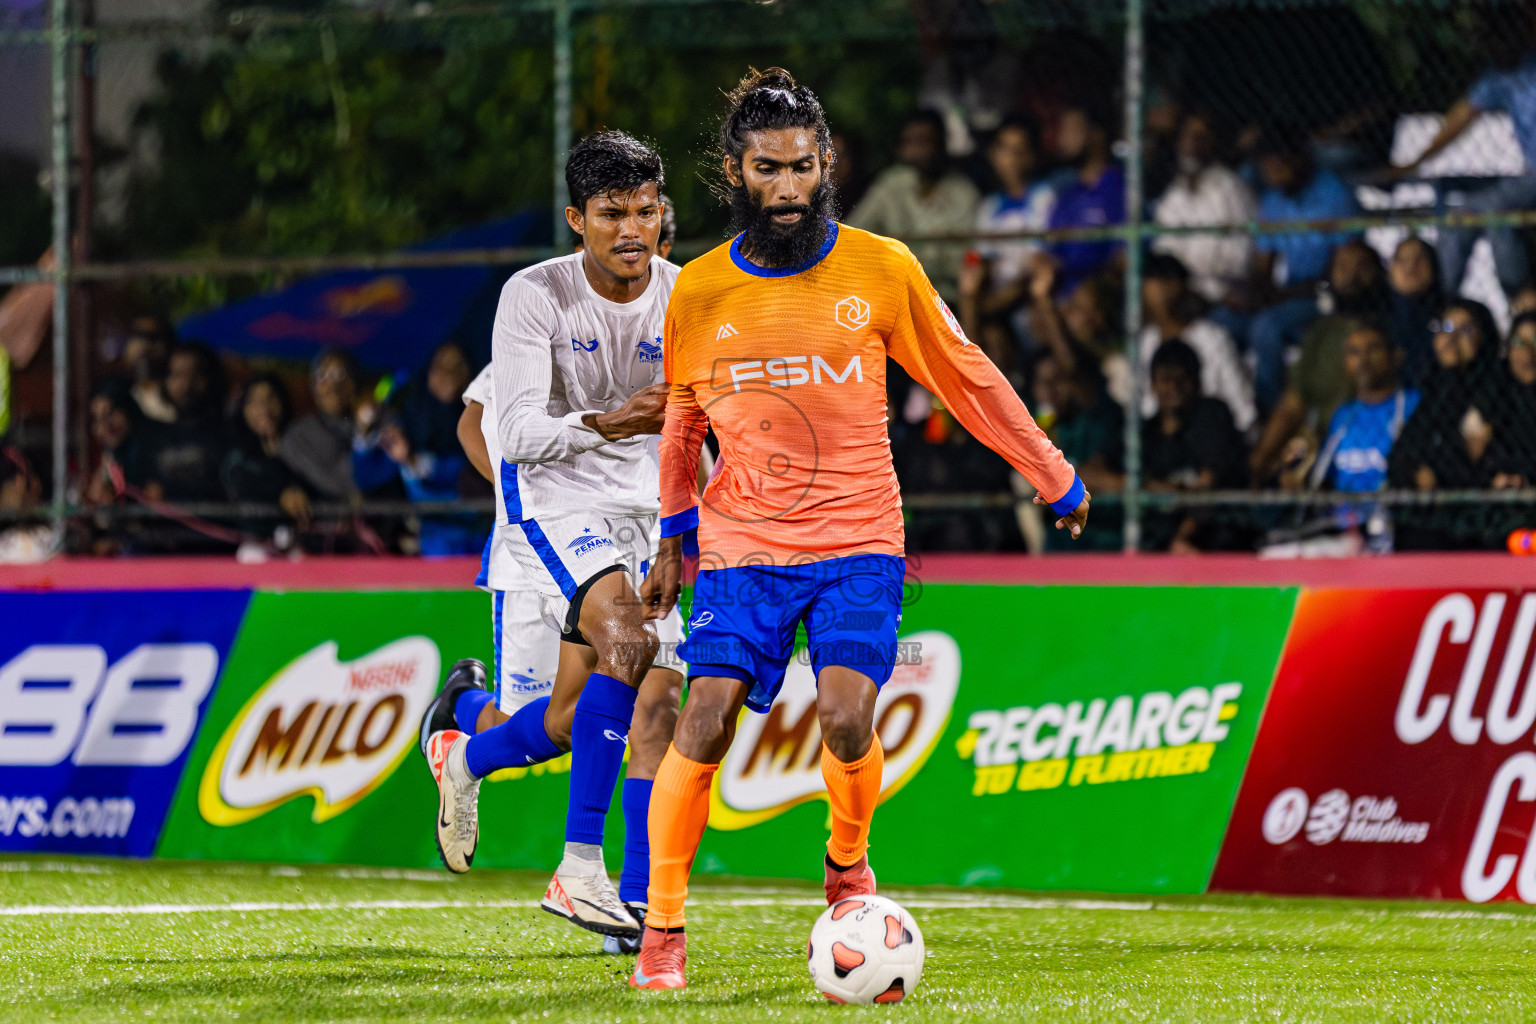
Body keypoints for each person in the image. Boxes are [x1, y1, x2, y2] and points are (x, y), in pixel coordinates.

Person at [630, 67, 1088, 991]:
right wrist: (674, 538)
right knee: (704, 718)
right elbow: (683, 419)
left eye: (803, 167)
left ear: (828, 162)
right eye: (768, 170)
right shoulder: (700, 291)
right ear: (735, 171)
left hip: (859, 539)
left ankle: (846, 859)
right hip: (742, 546)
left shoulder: (883, 268)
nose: (789, 188)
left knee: (846, 720)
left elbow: (964, 375)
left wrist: (1052, 473)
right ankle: (665, 928)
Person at [419, 130, 678, 942]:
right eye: (612, 214)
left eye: (646, 211)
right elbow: (510, 428)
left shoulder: (690, 294)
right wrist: (614, 420)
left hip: (644, 513)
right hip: (551, 508)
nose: (632, 229)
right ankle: (582, 870)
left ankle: (625, 904)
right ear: (578, 218)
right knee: (625, 655)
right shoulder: (535, 297)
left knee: (622, 713)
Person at [424, 354, 685, 955]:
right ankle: (463, 721)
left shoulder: (673, 322)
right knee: (557, 722)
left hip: (637, 538)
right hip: (538, 546)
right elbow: (474, 420)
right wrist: (523, 497)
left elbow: (684, 435)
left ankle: (638, 903)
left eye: (658, 250)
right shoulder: (549, 322)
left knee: (655, 711)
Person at [1389, 19, 1536, 299]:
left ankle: (1518, 301)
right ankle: (1445, 301)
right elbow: (1460, 117)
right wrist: (1416, 162)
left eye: (1499, 42)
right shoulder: (1499, 77)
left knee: (1492, 208)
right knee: (1462, 218)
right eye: (1487, 45)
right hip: (1530, 176)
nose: (1494, 50)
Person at [1248, 240, 1391, 482]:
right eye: (1343, 267)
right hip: (1318, 446)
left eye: (1362, 267)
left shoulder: (1390, 331)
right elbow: (1292, 405)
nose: (1352, 276)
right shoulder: (1322, 333)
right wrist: (1259, 460)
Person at [1246, 132, 1361, 410]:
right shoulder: (1274, 201)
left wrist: (1280, 295)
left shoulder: (1335, 196)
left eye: (1278, 165)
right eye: (1266, 168)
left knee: (1265, 329)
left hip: (1325, 296)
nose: (1272, 174)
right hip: (1288, 294)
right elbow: (1262, 267)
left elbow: (1348, 275)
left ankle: (1274, 412)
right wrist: (1259, 294)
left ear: (1298, 159)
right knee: (1224, 322)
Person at [1388, 298, 1502, 548]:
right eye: (1445, 328)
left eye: (1465, 330)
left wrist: (1430, 471)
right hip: (1427, 519)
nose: (1451, 338)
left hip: (1474, 521)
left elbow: (1472, 464)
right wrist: (1417, 471)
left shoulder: (1493, 391)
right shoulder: (1433, 391)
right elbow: (1399, 458)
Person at [353, 341, 476, 555]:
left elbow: (469, 472)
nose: (448, 373)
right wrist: (364, 435)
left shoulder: (482, 420)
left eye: (457, 366)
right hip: (434, 546)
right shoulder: (409, 424)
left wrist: (414, 460)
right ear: (428, 372)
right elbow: (366, 476)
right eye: (440, 366)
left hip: (480, 536)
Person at [848, 108, 980, 305]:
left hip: (947, 298)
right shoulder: (890, 185)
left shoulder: (964, 193)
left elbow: (968, 258)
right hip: (893, 293)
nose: (917, 150)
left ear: (941, 144)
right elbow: (853, 234)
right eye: (910, 142)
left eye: (925, 141)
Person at [1137, 340, 1247, 552]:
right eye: (1166, 379)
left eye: (1182, 379)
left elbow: (1208, 486)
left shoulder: (1211, 416)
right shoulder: (1144, 433)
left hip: (1213, 540)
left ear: (1197, 382)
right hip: (1160, 543)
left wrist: (1182, 539)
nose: (1174, 388)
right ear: (1152, 384)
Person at [1136, 253, 1256, 432]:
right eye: (1150, 282)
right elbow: (1145, 406)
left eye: (1163, 282)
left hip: (1210, 433)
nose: (1157, 291)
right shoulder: (1145, 342)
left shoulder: (1212, 337)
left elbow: (1241, 408)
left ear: (1177, 286)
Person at [1152, 111, 1257, 307]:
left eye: (1201, 137)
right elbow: (1164, 252)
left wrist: (1203, 290)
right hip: (1179, 296)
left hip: (1221, 298)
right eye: (1187, 135)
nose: (1193, 144)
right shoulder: (1173, 194)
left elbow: (1238, 261)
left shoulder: (1230, 189)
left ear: (1214, 142)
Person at [1041, 99, 1125, 297]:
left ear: (1096, 135)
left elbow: (1124, 258)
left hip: (1102, 296)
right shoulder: (1068, 194)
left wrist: (1094, 287)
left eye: (1072, 129)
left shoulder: (1118, 188)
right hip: (1062, 294)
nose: (1062, 138)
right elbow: (1051, 250)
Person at [221, 373, 312, 536]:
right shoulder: (238, 455)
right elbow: (241, 483)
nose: (263, 408)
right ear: (243, 409)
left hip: (304, 541)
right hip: (256, 541)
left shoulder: (305, 445)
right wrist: (282, 493)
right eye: (253, 401)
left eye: (271, 398)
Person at [281, 348, 361, 499]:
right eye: (323, 375)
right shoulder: (298, 434)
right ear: (314, 387)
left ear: (353, 384)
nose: (332, 386)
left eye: (340, 375)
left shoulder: (376, 426)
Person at [1386, 236, 1443, 389]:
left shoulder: (1448, 316)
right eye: (1401, 260)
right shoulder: (1377, 319)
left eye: (1419, 259)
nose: (1411, 267)